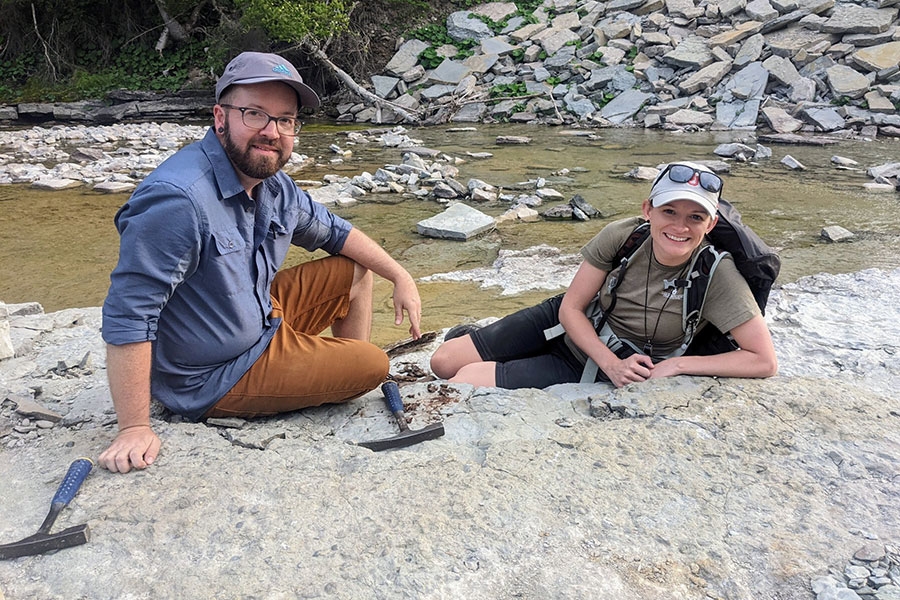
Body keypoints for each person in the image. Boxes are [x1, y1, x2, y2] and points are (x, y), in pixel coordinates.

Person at [99, 52, 422, 474]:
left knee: (355, 270)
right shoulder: (178, 200)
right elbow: (128, 314)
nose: (272, 132)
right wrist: (133, 427)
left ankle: (330, 364)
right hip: (214, 375)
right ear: (220, 117)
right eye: (255, 114)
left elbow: (339, 234)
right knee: (373, 366)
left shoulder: (272, 185)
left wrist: (400, 275)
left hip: (259, 318)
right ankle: (340, 370)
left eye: (285, 120)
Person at [430, 161, 777, 389]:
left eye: (695, 218)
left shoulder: (716, 274)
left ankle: (502, 354)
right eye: (669, 211)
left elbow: (763, 361)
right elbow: (570, 308)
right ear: (647, 210)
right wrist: (611, 364)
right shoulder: (624, 236)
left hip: (589, 363)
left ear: (711, 224)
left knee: (464, 380)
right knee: (442, 361)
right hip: (572, 323)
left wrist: (680, 366)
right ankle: (487, 343)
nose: (679, 226)